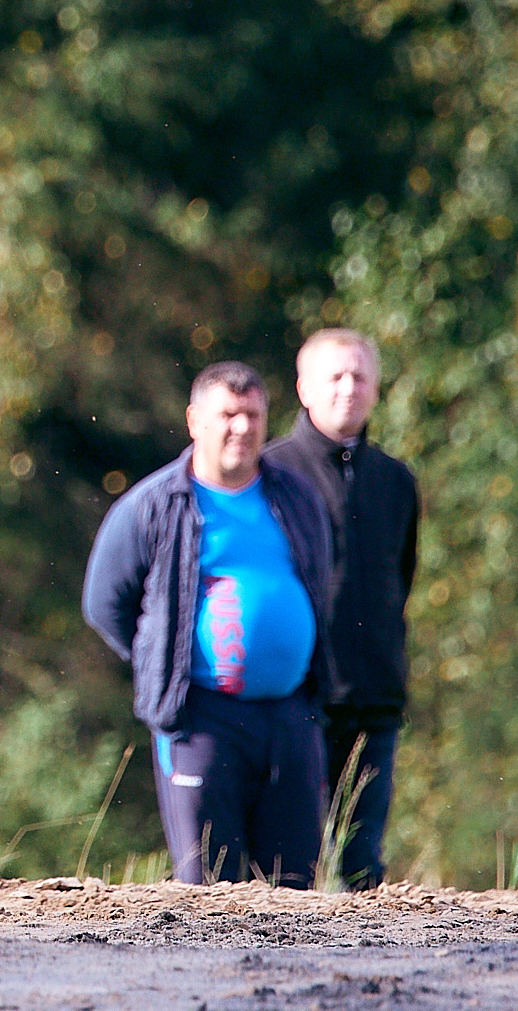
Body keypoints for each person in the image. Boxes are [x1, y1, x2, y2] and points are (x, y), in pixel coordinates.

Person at [83, 362, 336, 887]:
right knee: (208, 889)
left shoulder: (296, 497)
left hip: (291, 716)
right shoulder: (153, 506)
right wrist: (163, 661)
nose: (242, 428)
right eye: (228, 415)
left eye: (253, 416)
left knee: (296, 889)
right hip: (200, 720)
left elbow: (320, 582)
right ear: (195, 421)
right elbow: (105, 604)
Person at [265, 329, 420, 890]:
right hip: (294, 701)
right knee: (288, 873)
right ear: (304, 388)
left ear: (376, 389)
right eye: (334, 376)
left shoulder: (395, 481)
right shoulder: (271, 475)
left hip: (374, 699)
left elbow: (400, 579)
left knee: (363, 871)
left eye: (360, 376)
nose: (348, 388)